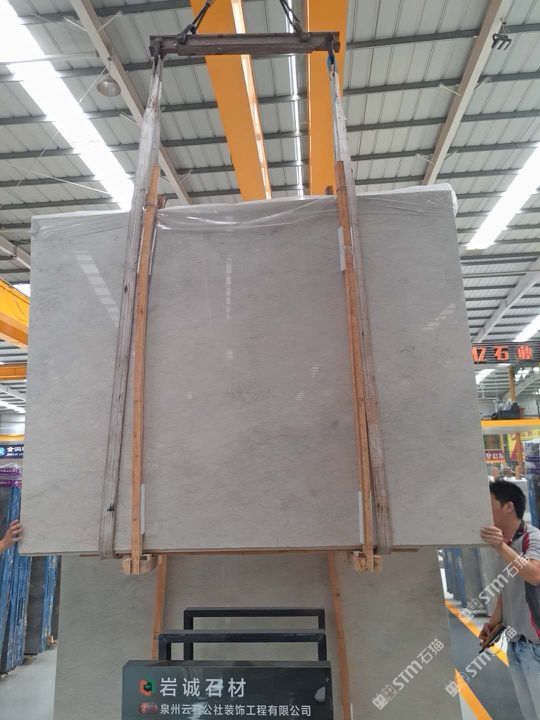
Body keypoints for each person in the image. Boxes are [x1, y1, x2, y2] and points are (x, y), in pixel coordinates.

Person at [481, 480, 540, 720]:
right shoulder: (506, 544)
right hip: (517, 645)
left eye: (490, 503)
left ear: (508, 507)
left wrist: (500, 547)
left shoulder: (532, 538)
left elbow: (534, 575)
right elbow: (506, 592)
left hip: (536, 647)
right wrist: (494, 623)